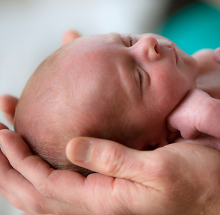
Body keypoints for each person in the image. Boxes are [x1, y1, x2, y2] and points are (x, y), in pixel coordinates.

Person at [1, 31, 220, 214]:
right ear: (152, 147)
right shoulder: (192, 152)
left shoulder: (193, 70)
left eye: (129, 41)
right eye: (139, 76)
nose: (147, 44)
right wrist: (207, 115)